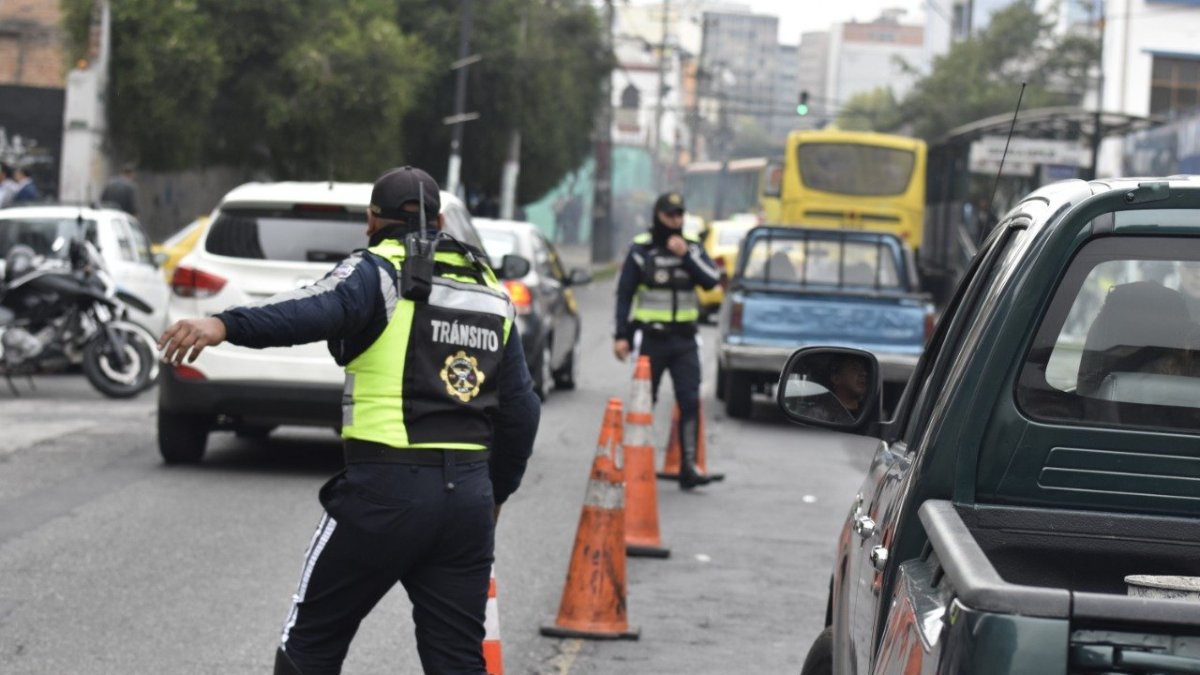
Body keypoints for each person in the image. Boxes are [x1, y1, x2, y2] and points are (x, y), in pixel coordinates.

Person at [158, 166, 540, 675]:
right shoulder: (490, 291)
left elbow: (311, 309)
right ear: (443, 220)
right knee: (457, 663)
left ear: (370, 221)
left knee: (309, 647)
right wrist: (495, 493)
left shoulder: (378, 271)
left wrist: (223, 323)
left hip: (385, 494)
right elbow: (522, 409)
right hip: (467, 501)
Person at [613, 191, 721, 489]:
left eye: (680, 215)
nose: (676, 220)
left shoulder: (693, 248)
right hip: (652, 339)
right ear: (658, 216)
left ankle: (688, 466)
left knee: (689, 400)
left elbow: (712, 280)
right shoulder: (641, 250)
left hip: (685, 340)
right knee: (644, 402)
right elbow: (624, 295)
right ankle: (635, 465)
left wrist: (685, 256)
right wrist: (621, 336)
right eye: (670, 215)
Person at [800, 355, 869, 424]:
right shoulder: (817, 414)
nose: (863, 373)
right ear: (836, 378)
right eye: (855, 367)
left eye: (864, 369)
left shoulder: (870, 411)